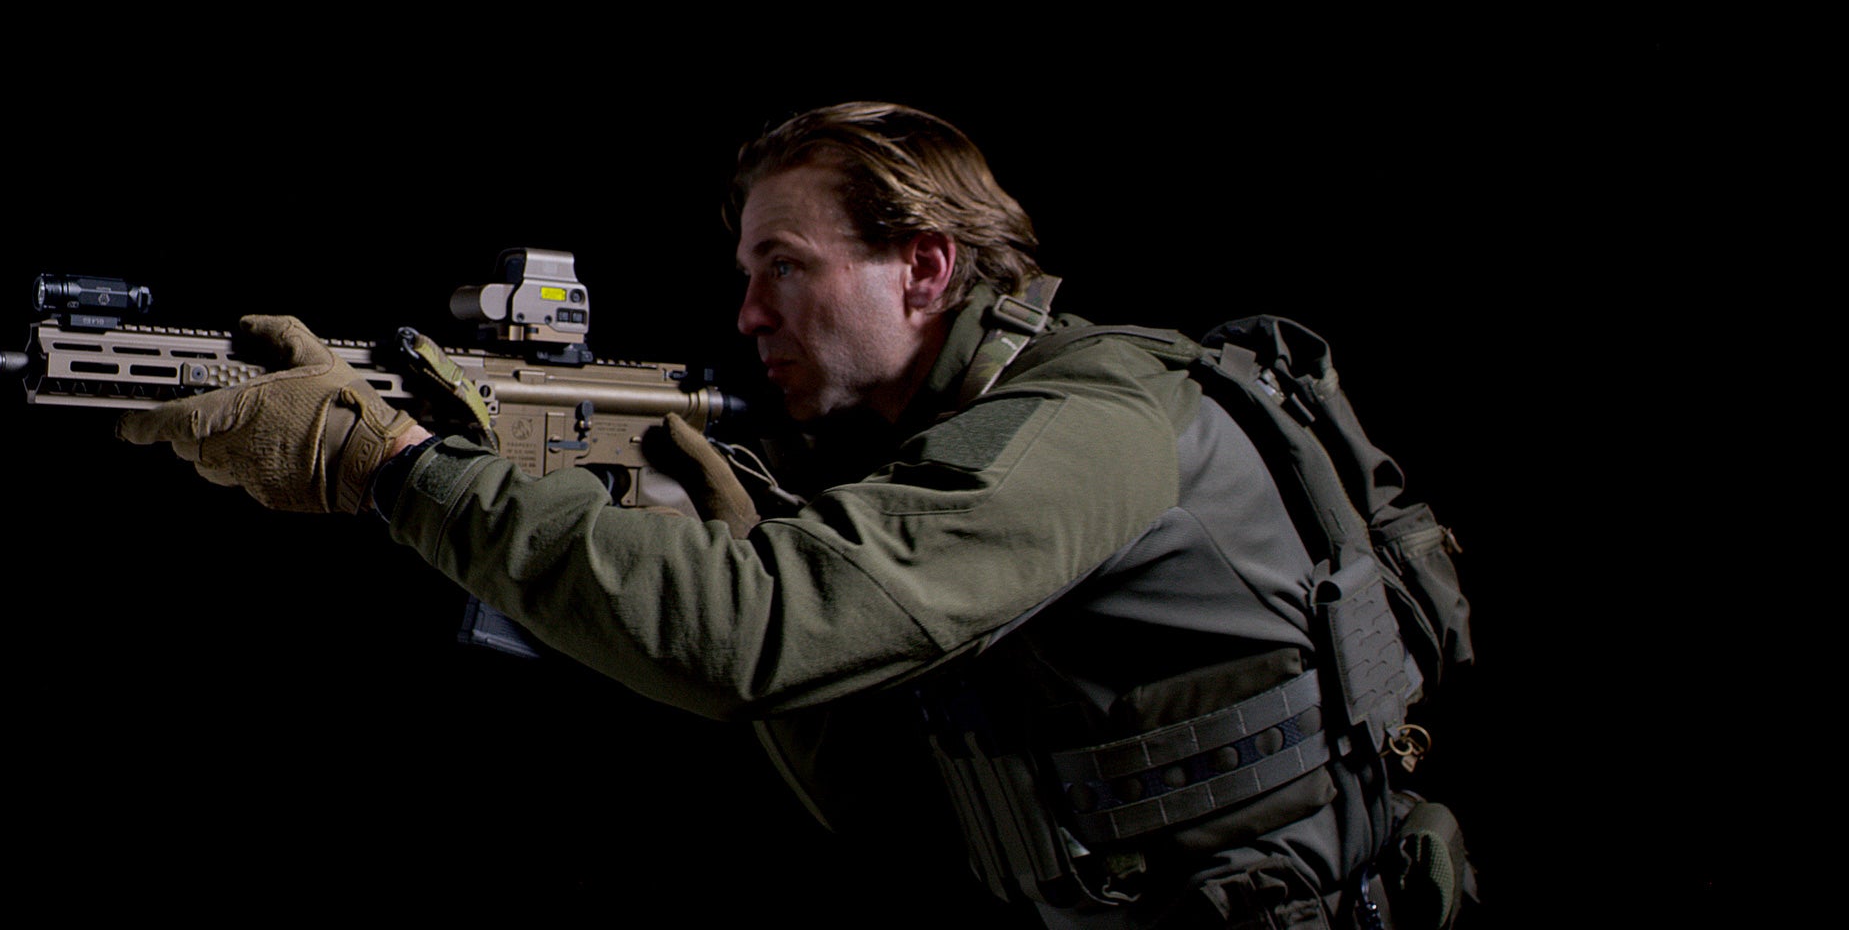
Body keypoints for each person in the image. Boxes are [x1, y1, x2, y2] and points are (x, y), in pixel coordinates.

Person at [116, 102, 1470, 928]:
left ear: (925, 268)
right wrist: (719, 539)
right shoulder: (949, 442)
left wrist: (397, 469)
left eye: (786, 267)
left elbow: (763, 638)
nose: (749, 312)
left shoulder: (1093, 420)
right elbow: (880, 778)